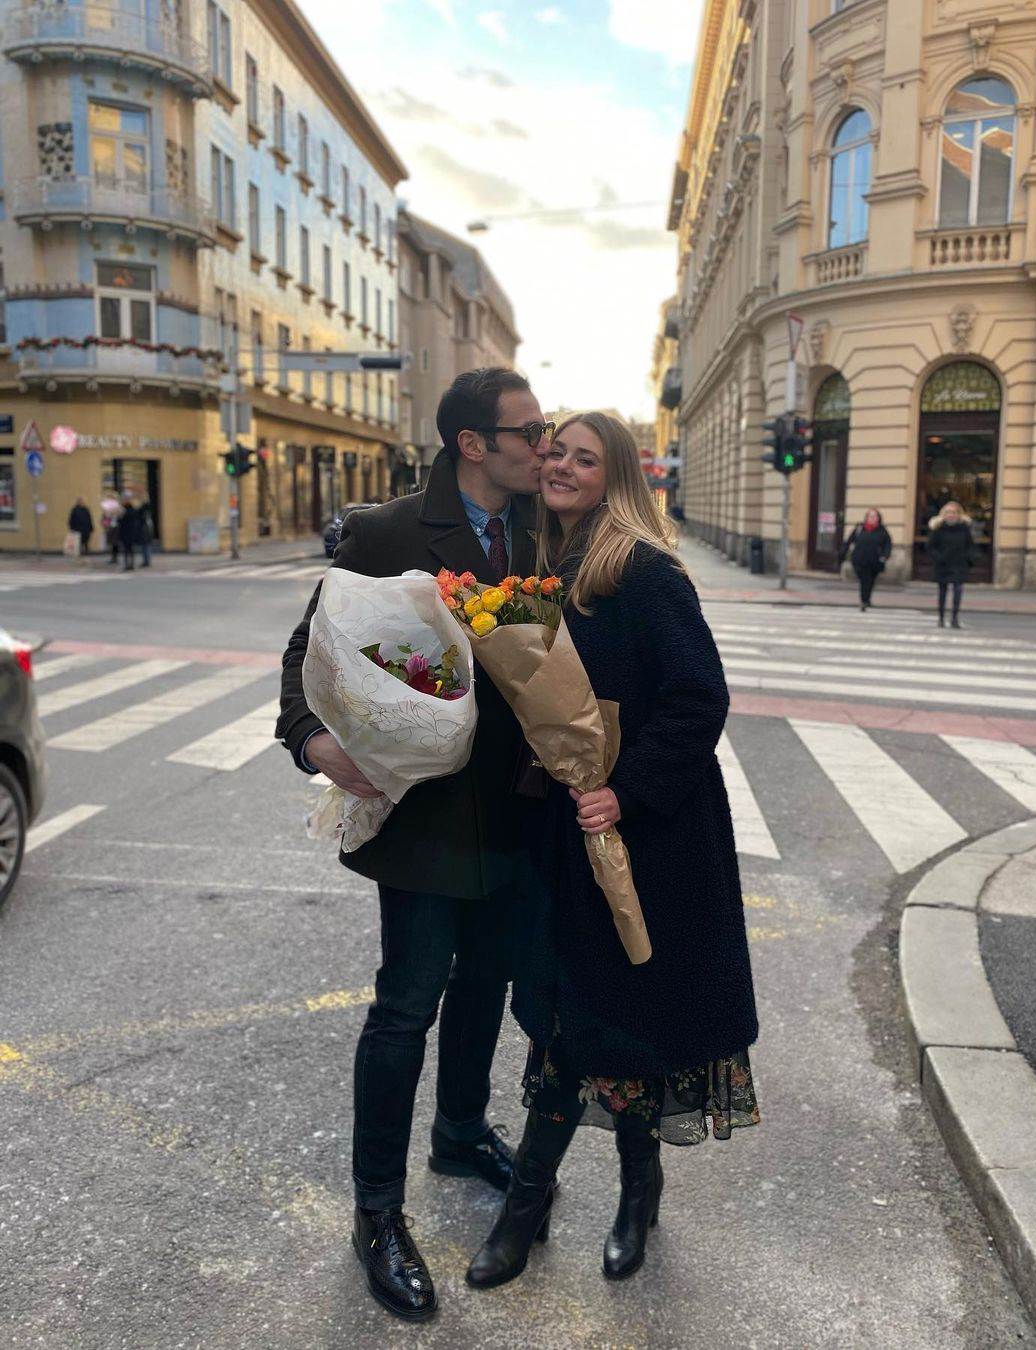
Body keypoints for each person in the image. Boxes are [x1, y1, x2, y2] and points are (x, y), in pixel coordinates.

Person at [277, 368, 554, 1323]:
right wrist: (312, 741)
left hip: (515, 812)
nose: (543, 446)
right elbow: (306, 653)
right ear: (474, 444)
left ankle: (461, 1132)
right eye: (529, 432)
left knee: (486, 986)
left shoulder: (541, 531)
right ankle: (377, 1213)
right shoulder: (389, 532)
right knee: (406, 1005)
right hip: (425, 819)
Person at [466, 412, 760, 1292]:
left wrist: (624, 790)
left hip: (647, 834)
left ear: (617, 476)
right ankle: (536, 1204)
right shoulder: (550, 564)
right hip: (568, 828)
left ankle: (620, 1196)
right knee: (571, 1016)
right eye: (555, 451)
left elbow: (699, 698)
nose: (561, 465)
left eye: (584, 458)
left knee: (624, 1020)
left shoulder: (642, 568)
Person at [928, 500, 977, 629]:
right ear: (944, 514)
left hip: (959, 564)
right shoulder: (938, 528)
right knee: (942, 592)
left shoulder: (964, 529)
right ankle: (941, 618)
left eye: (954, 512)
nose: (951, 515)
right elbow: (931, 547)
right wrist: (938, 558)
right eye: (948, 512)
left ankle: (955, 618)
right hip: (943, 564)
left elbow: (970, 546)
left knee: (958, 591)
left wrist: (969, 559)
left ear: (959, 514)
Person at [839, 508, 891, 610]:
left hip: (875, 561)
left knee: (870, 581)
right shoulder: (859, 528)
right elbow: (849, 541)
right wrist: (843, 553)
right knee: (864, 579)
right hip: (859, 559)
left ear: (878, 518)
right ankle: (864, 601)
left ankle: (867, 599)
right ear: (866, 518)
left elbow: (887, 544)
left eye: (874, 516)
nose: (872, 518)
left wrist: (885, 556)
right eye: (870, 516)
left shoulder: (882, 530)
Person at [116, 494, 142, 572]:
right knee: (127, 549)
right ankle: (128, 564)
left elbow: (129, 520)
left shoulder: (129, 510)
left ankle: (130, 564)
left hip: (129, 532)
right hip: (126, 532)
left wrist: (121, 515)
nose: (124, 501)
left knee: (129, 549)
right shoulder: (125, 509)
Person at [137, 496, 155, 568]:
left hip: (145, 533)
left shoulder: (144, 515)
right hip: (147, 533)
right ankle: (146, 561)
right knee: (146, 547)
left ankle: (146, 561)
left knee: (145, 547)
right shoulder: (148, 516)